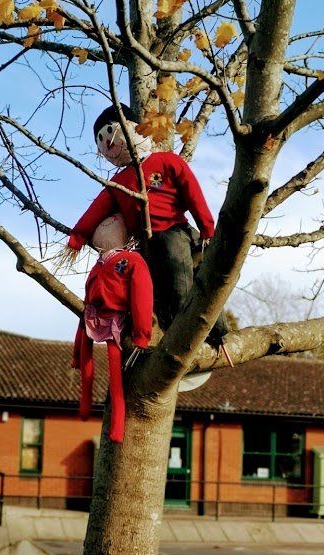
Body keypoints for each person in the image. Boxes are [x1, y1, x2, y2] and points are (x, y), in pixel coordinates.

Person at [65, 103, 231, 350]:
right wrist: (78, 237)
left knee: (191, 285)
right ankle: (178, 341)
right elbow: (96, 210)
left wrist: (207, 229)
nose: (107, 145)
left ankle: (214, 334)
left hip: (175, 232)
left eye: (110, 134)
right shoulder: (118, 182)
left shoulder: (166, 161)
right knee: (159, 295)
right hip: (148, 246)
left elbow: (192, 193)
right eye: (101, 142)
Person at [72, 213, 153, 443]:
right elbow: (88, 295)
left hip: (114, 317)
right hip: (91, 315)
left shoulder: (132, 260)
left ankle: (116, 428)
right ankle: (85, 408)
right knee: (88, 367)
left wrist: (141, 334)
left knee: (115, 377)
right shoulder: (99, 265)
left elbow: (141, 297)